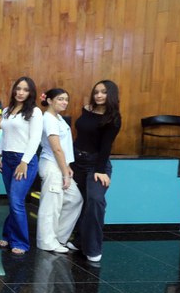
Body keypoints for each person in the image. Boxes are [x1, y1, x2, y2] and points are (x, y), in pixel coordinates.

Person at [69, 80, 121, 263]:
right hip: (77, 162)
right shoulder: (87, 109)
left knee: (96, 201)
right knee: (82, 202)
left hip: (96, 165)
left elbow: (106, 146)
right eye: (96, 92)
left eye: (104, 92)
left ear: (111, 95)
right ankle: (79, 240)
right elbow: (80, 136)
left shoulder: (113, 118)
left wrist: (100, 170)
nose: (99, 95)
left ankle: (93, 248)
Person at [0, 77, 43, 255]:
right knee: (13, 200)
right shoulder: (7, 110)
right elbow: (5, 135)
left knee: (16, 201)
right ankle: (8, 236)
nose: (21, 92)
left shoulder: (35, 112)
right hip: (7, 158)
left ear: (31, 93)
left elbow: (35, 139)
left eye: (25, 89)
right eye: (18, 88)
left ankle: (21, 242)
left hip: (24, 160)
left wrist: (24, 162)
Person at [37, 88, 82, 254]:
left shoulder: (59, 118)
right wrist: (64, 172)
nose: (64, 102)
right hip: (52, 165)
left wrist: (67, 167)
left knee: (75, 199)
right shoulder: (48, 119)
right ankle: (46, 242)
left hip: (61, 165)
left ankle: (58, 237)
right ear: (49, 100)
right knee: (51, 206)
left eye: (66, 99)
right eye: (60, 99)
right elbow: (56, 149)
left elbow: (64, 148)